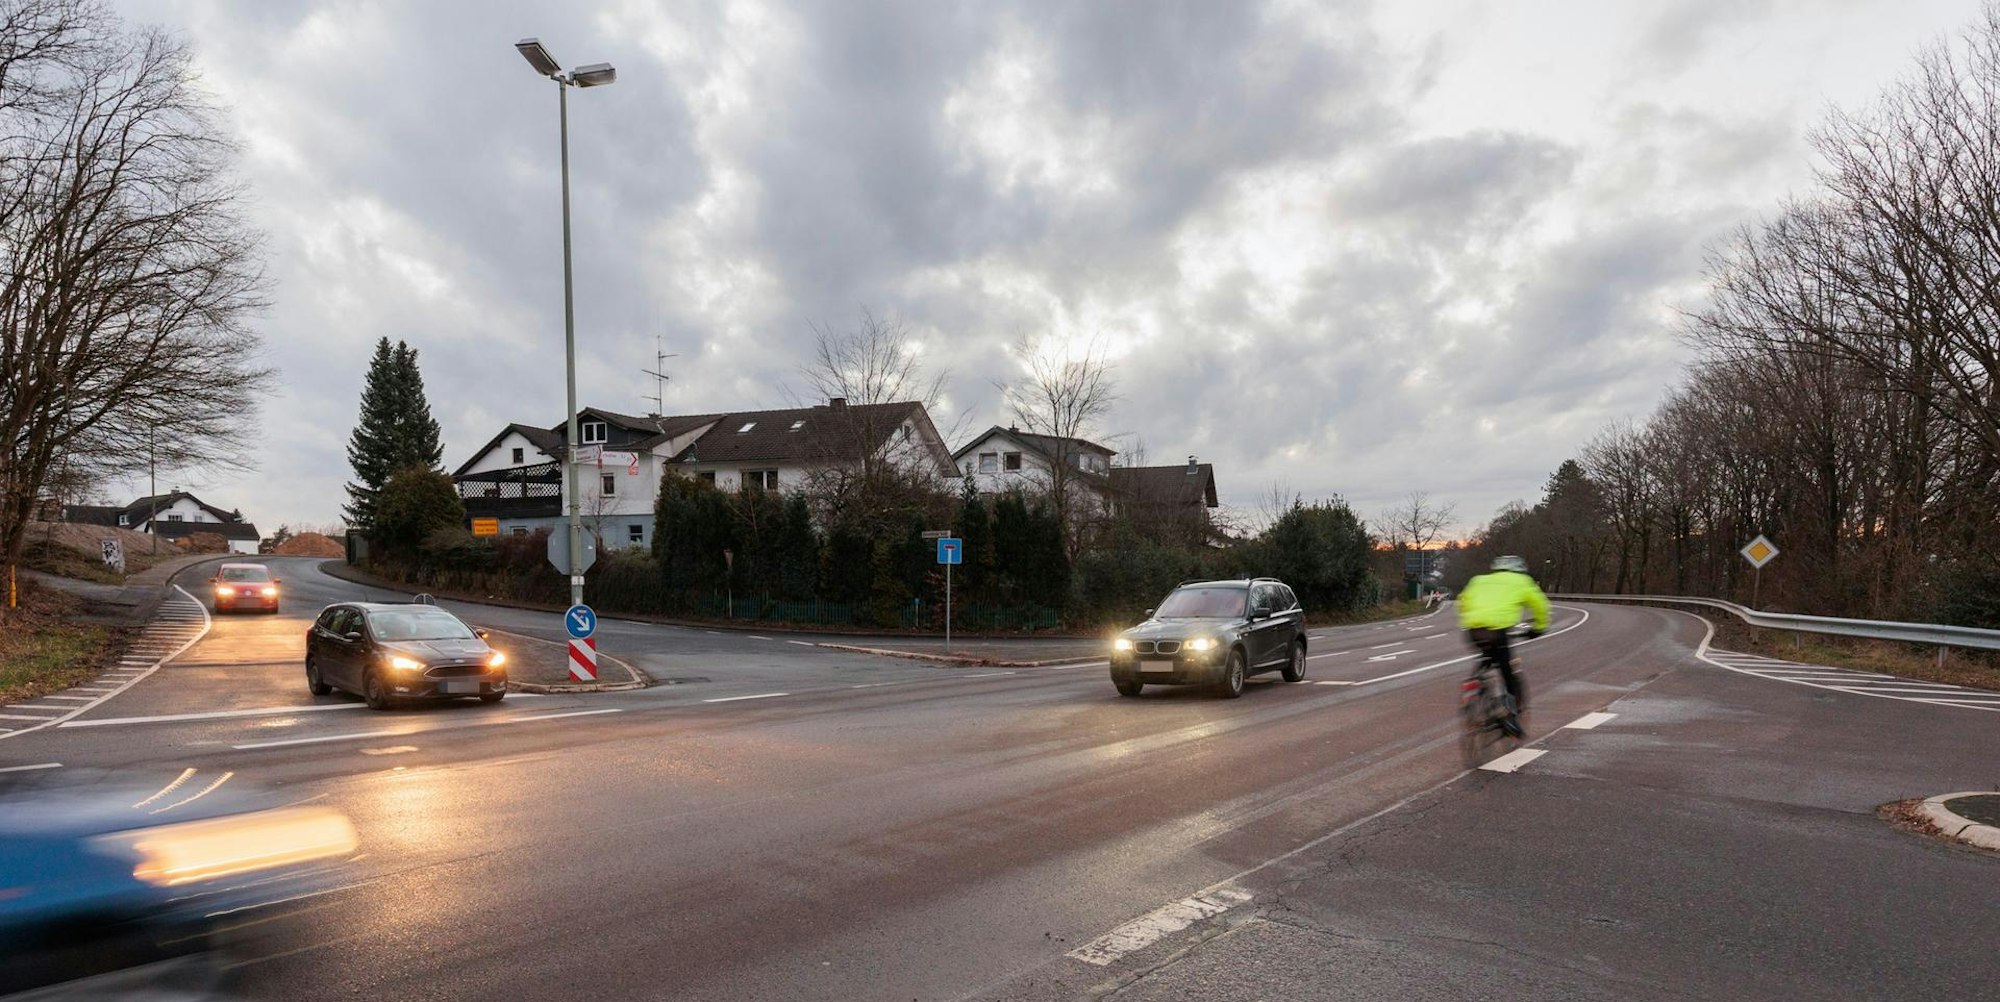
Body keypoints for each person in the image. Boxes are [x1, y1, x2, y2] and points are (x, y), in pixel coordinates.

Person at [1456, 555, 1550, 724]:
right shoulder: (1522, 581)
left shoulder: (1478, 580)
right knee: (1506, 669)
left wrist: (1472, 618)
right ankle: (1512, 714)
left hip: (1474, 631)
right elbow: (1540, 605)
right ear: (1519, 570)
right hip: (1498, 632)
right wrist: (1539, 628)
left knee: (1487, 656)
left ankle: (1473, 687)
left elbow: (1462, 602)